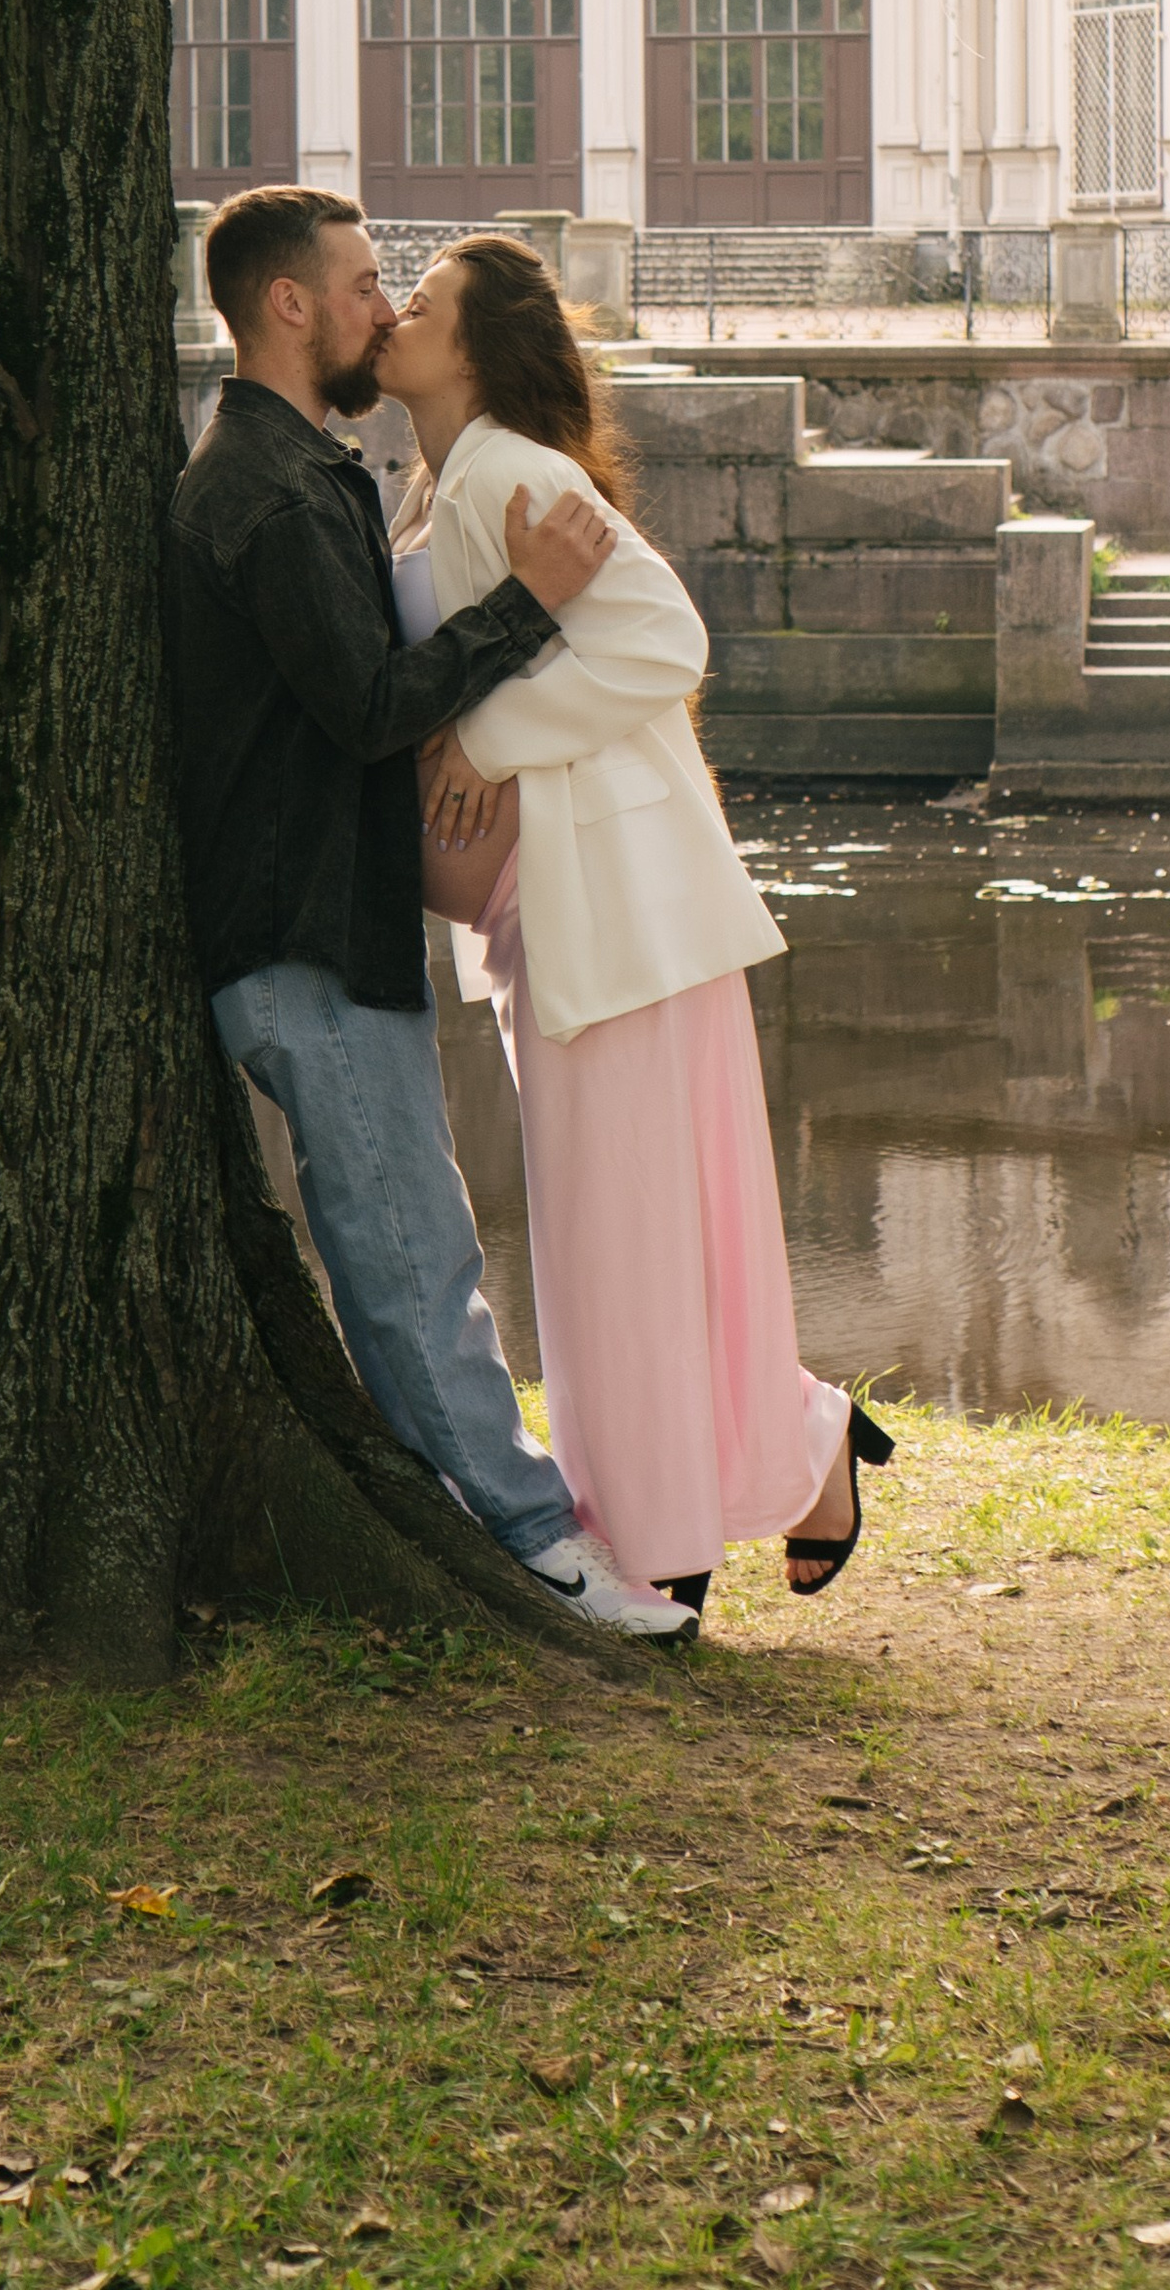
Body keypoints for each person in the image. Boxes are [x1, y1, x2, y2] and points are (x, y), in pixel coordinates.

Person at [168, 185, 694, 1640]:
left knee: (408, 1241)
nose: (379, 305)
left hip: (320, 926)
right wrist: (526, 604)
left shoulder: (301, 471)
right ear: (289, 304)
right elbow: (364, 706)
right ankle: (539, 1546)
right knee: (414, 1254)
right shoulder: (267, 490)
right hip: (297, 937)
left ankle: (463, 1518)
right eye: (358, 283)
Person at [381, 232, 891, 1622]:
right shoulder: (443, 488)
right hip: (559, 917)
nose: (393, 313)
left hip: (609, 908)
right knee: (630, 1236)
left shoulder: (512, 473)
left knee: (625, 1239)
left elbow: (666, 639)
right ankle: (789, 1453)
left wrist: (485, 745)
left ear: (478, 349)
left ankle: (664, 1538)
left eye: (418, 302)